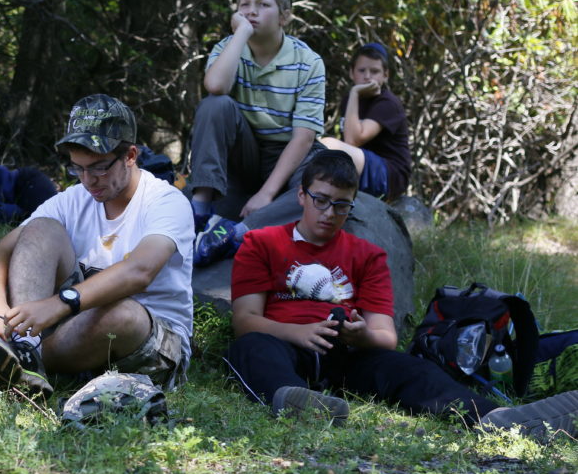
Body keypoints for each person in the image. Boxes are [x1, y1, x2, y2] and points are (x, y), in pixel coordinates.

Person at [225, 149, 578, 438]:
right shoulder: (262, 243)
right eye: (321, 200)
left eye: (342, 205)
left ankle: (500, 420)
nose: (330, 213)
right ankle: (296, 402)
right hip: (284, 345)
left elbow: (385, 336)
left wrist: (361, 335)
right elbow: (245, 321)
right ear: (301, 195)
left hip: (346, 354)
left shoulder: (368, 255)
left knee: (410, 368)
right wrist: (298, 333)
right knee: (251, 347)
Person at [0, 94, 194, 395]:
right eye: (78, 168)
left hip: (149, 339)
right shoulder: (74, 199)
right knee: (40, 228)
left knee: (123, 314)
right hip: (74, 327)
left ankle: (22, 357)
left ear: (130, 155)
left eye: (99, 168)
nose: (88, 180)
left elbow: (140, 271)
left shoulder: (166, 202)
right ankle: (25, 347)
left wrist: (58, 303)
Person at [187, 0, 327, 266]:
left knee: (328, 181)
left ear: (284, 17)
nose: (252, 11)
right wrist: (240, 35)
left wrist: (266, 194)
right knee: (215, 104)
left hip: (286, 154)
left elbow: (303, 138)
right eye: (245, 5)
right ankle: (199, 211)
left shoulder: (309, 62)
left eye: (263, 5)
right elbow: (215, 86)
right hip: (244, 150)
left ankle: (235, 233)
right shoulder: (229, 48)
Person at [319, 42, 411, 200]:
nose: (367, 76)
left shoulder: (388, 103)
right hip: (362, 165)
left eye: (374, 71)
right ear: (351, 73)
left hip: (389, 174)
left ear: (385, 75)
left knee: (328, 145)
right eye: (362, 70)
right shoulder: (349, 100)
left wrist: (355, 93)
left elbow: (353, 140)